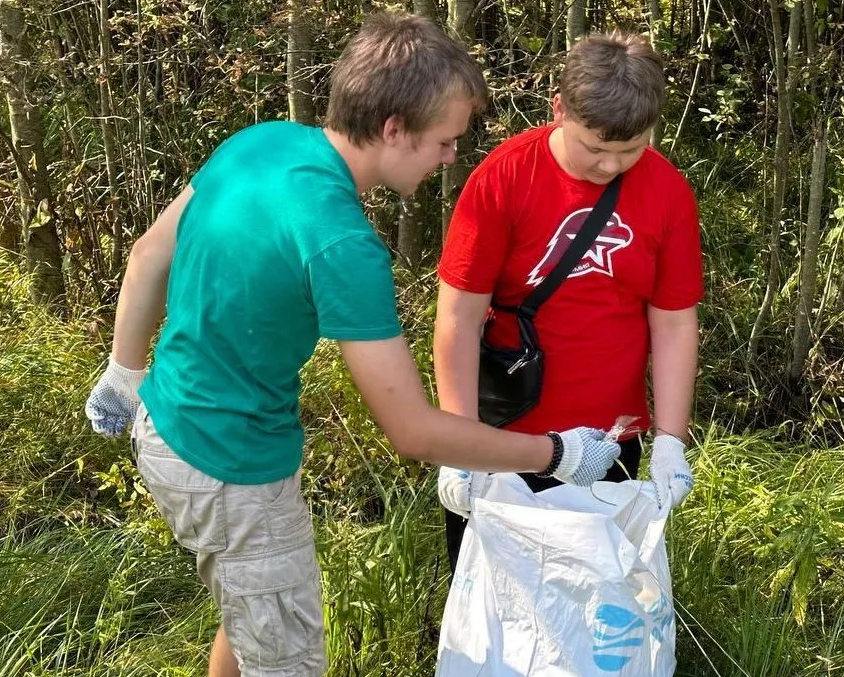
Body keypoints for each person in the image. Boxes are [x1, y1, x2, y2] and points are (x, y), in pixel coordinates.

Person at [83, 13, 621, 677]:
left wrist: (124, 372)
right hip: (231, 468)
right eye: (444, 141)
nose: (450, 158)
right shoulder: (342, 244)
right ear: (394, 128)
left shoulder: (260, 143)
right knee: (284, 658)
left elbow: (147, 254)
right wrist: (558, 453)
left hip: (165, 425)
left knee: (249, 606)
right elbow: (412, 431)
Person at [433, 31, 703, 570]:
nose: (610, 167)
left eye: (630, 150)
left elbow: (674, 323)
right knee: (495, 601)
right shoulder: (505, 177)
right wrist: (458, 443)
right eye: (595, 148)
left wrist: (671, 440)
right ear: (559, 109)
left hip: (610, 441)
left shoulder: (667, 191)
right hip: (502, 440)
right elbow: (459, 316)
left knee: (598, 605)